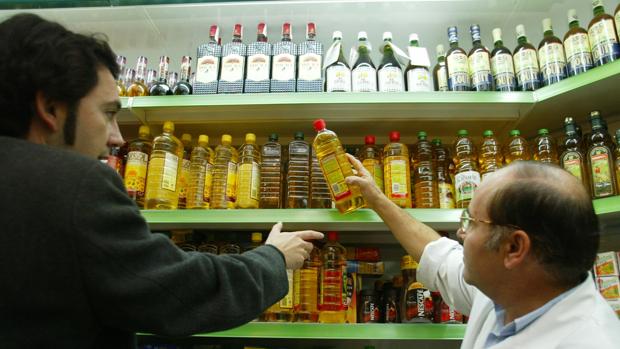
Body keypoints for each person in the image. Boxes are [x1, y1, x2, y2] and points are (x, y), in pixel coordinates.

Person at [0, 13, 323, 348]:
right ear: (50, 108)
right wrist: (274, 259)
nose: (117, 138)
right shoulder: (73, 185)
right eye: (109, 113)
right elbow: (177, 292)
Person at [345, 154, 620, 348]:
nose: (461, 233)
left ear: (514, 248)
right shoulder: (503, 291)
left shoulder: (587, 341)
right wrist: (377, 199)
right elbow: (436, 253)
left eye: (471, 222)